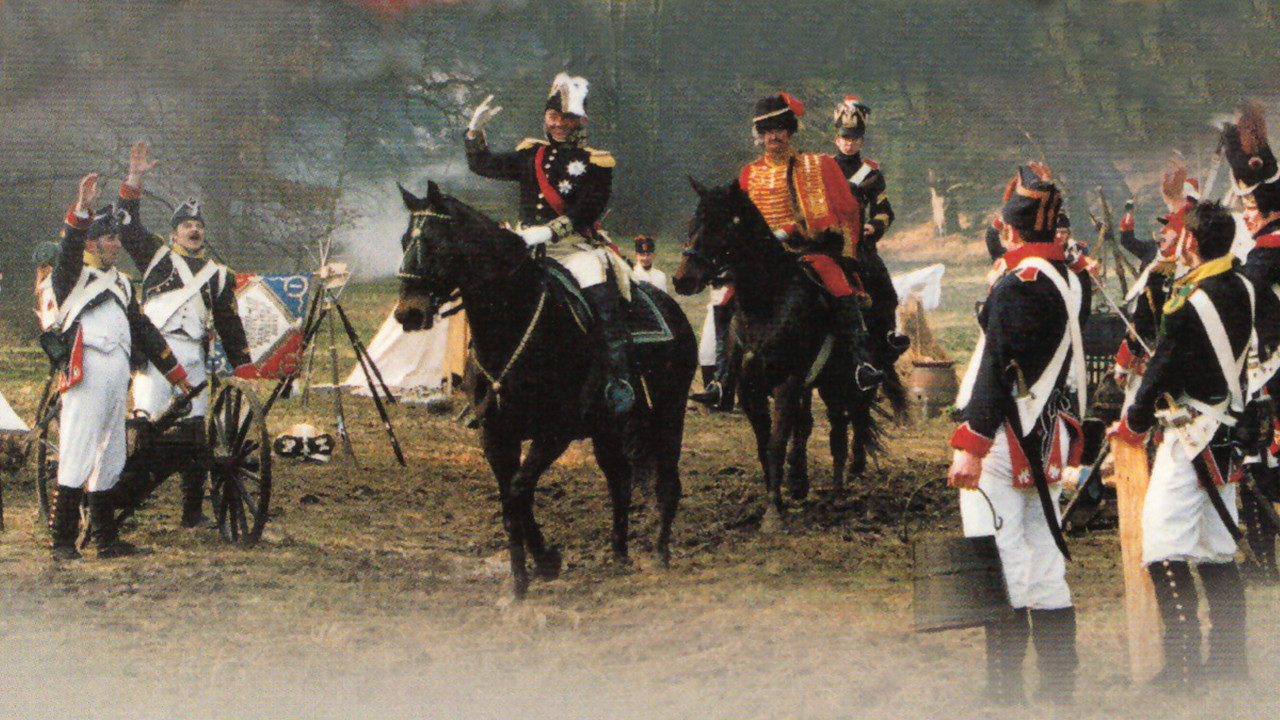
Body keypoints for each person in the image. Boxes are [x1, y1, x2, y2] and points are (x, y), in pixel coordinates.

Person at [1112, 198, 1280, 687]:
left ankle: (1185, 670)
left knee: (1162, 546)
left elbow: (1164, 366)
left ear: (1192, 240)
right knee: (1215, 549)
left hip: (1190, 434)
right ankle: (1231, 665)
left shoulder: (1186, 300)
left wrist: (1135, 421)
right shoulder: (1251, 290)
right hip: (1229, 432)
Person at [948, 166, 1090, 704]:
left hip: (1005, 443)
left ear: (1009, 232)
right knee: (1044, 562)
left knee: (998, 563)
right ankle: (1059, 686)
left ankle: (1003, 690)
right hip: (1047, 437)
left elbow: (995, 371)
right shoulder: (1068, 279)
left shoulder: (1019, 284)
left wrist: (970, 445)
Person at [691, 92, 882, 410]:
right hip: (761, 261)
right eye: (767, 130)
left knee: (837, 285)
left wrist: (839, 248)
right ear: (759, 136)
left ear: (790, 132)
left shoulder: (817, 164)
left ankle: (862, 364)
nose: (773, 136)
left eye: (779, 129)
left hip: (807, 250)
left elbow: (848, 209)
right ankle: (722, 381)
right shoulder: (748, 174)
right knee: (724, 303)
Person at [463, 74, 634, 414]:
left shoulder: (595, 161)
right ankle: (484, 379)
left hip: (571, 248)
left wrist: (552, 231)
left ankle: (618, 378)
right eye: (553, 117)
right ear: (546, 118)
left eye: (566, 119)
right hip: (526, 246)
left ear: (579, 121)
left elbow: (590, 208)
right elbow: (483, 165)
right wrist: (473, 134)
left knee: (599, 292)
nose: (558, 124)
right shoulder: (530, 155)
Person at [111, 141, 257, 529]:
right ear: (173, 232)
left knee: (194, 432)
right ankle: (124, 497)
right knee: (148, 426)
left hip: (193, 355)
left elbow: (228, 323)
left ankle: (192, 512)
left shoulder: (220, 274)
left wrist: (243, 366)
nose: (194, 229)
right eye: (186, 225)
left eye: (198, 225)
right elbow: (125, 224)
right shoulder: (156, 256)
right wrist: (136, 177)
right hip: (155, 352)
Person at [48, 173, 192, 560]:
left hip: (117, 378)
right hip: (85, 375)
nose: (117, 244)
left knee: (111, 457)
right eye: (110, 238)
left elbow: (145, 332)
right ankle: (62, 541)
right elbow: (67, 250)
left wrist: (178, 377)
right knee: (77, 452)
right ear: (92, 242)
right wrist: (81, 209)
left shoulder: (124, 284)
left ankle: (105, 540)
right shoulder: (71, 278)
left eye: (116, 237)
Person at [1221, 104, 1280, 582]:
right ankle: (1264, 557)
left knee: (1262, 460)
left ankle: (1265, 559)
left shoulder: (1268, 251)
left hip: (1272, 368)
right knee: (1260, 459)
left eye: (1250, 209)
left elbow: (1239, 298)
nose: (1247, 217)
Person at [831, 95, 908, 363]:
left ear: (862, 140)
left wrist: (872, 227)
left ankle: (887, 336)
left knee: (885, 290)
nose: (849, 143)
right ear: (836, 139)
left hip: (860, 246)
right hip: (826, 242)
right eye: (844, 138)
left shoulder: (872, 174)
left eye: (854, 138)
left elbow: (885, 211)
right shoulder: (823, 170)